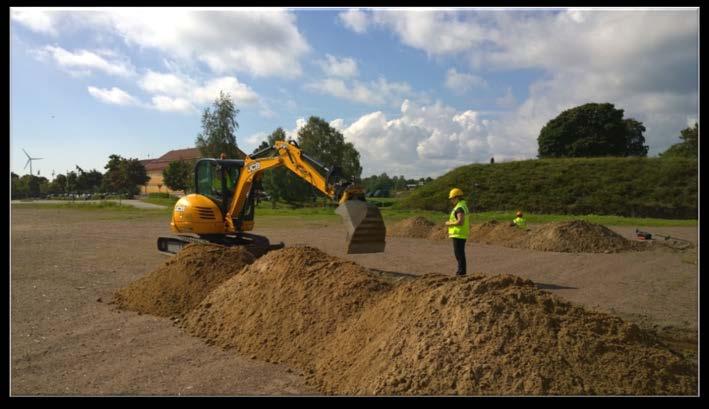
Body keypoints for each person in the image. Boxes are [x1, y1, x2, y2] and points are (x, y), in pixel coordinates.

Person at [444, 188, 470, 276]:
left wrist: (449, 223)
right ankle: (461, 272)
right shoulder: (462, 205)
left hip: (458, 234)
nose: (451, 200)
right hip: (460, 233)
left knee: (459, 254)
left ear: (457, 197)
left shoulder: (459, 208)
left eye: (452, 198)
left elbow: (460, 221)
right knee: (460, 254)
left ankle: (461, 273)